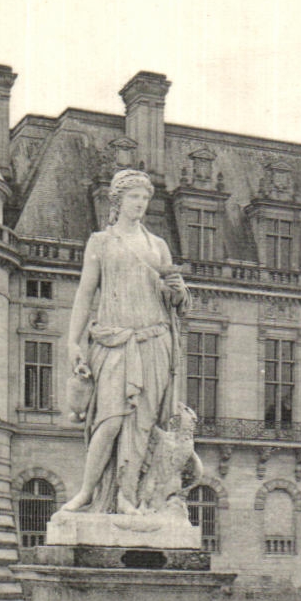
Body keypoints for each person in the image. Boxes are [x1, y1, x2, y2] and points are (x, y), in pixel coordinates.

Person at [59, 169, 188, 514]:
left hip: (153, 341)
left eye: (145, 199)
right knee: (110, 420)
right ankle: (87, 492)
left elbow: (177, 301)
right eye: (134, 197)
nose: (141, 204)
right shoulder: (100, 242)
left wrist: (176, 292)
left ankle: (126, 497)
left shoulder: (157, 245)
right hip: (113, 341)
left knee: (142, 425)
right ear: (117, 200)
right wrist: (73, 343)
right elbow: (85, 295)